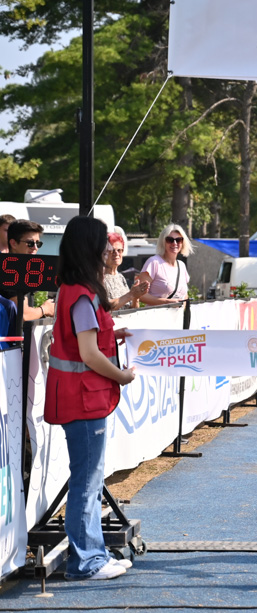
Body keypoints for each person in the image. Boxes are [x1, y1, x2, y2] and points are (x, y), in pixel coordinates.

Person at [43, 215, 137, 581]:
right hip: (82, 399)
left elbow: (89, 341)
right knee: (87, 480)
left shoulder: (76, 288)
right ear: (90, 248)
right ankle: (86, 561)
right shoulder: (81, 293)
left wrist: (113, 336)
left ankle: (93, 554)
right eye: (103, 244)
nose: (107, 250)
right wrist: (122, 376)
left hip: (81, 397)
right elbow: (88, 353)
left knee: (90, 479)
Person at [6, 219, 55, 321]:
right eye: (30, 243)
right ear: (13, 243)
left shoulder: (27, 269)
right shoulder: (10, 271)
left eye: (38, 243)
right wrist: (45, 309)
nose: (35, 248)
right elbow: (23, 315)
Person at [139, 224, 192, 305]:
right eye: (170, 240)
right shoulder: (153, 262)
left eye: (178, 240)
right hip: (157, 312)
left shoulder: (181, 266)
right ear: (163, 242)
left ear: (183, 242)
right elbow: (140, 295)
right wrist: (166, 302)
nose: (174, 243)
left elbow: (185, 296)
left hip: (178, 313)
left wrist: (186, 310)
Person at [104, 231, 148, 310]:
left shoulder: (120, 277)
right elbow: (105, 308)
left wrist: (135, 298)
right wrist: (131, 295)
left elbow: (131, 309)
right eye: (112, 250)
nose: (116, 253)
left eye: (119, 250)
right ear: (104, 253)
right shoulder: (99, 278)